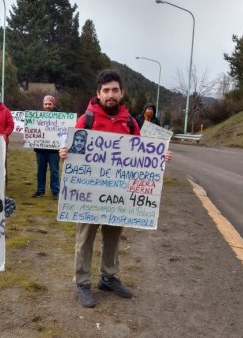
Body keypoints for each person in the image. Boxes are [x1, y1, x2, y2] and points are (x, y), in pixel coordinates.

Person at [59, 69, 172, 309]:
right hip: (88, 195)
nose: (111, 94)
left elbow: (143, 155)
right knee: (85, 238)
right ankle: (82, 282)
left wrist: (159, 156)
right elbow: (74, 151)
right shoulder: (86, 120)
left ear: (122, 93)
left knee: (113, 237)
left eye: (115, 90)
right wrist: (65, 153)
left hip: (117, 194)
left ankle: (108, 278)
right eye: (106, 90)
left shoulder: (130, 123)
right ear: (98, 93)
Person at [32, 95, 61, 199]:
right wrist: (27, 138)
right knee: (40, 171)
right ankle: (40, 190)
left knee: (54, 171)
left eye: (50, 104)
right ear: (43, 104)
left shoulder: (61, 117)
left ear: (53, 104)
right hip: (40, 149)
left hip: (54, 150)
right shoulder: (36, 116)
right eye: (46, 104)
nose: (48, 106)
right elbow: (31, 130)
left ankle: (55, 191)